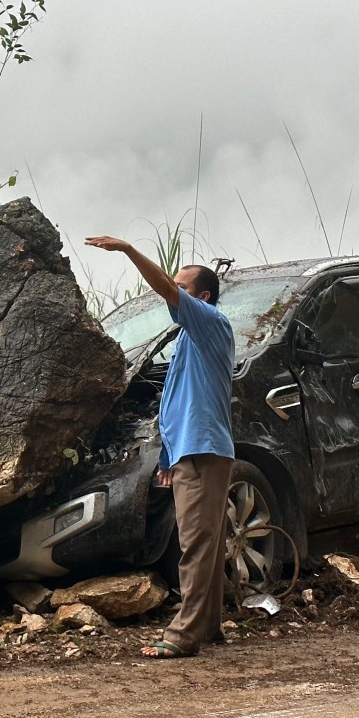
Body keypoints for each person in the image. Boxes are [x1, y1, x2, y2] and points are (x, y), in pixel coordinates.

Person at [85, 235, 236, 659]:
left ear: (203, 298)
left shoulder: (210, 323)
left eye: (183, 289)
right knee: (206, 540)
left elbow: (166, 290)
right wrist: (168, 457)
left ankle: (183, 635)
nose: (174, 294)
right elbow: (178, 407)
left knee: (195, 544)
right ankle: (208, 627)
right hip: (193, 451)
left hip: (204, 452)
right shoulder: (190, 340)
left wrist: (129, 251)